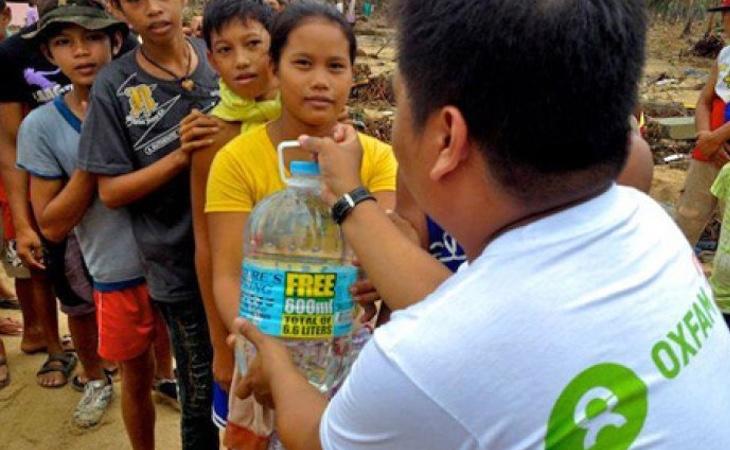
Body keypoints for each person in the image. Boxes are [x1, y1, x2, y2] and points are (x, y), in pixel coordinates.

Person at [231, 1, 730, 449]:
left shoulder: (422, 356)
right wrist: (350, 199)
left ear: (446, 137)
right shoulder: (648, 226)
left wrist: (275, 357)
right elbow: (460, 308)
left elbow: (316, 435)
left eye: (403, 104)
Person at [204, 3, 396, 447]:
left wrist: (376, 280)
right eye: (302, 64)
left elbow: (384, 261)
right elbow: (227, 273)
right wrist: (251, 352)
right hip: (263, 358)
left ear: (353, 75)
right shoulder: (236, 160)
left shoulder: (378, 158)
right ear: (274, 69)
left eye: (336, 66)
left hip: (350, 363)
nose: (320, 81)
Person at [76, 0, 220, 446]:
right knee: (199, 391)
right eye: (136, 1)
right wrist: (181, 155)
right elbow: (110, 191)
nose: (154, 9)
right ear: (117, 9)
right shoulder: (114, 86)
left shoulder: (220, 56)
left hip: (242, 253)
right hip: (175, 262)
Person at [180, 0, 279, 435]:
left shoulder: (312, 122)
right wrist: (221, 346)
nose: (241, 60)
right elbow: (206, 248)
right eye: (224, 50)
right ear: (210, 59)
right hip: (243, 319)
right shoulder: (209, 136)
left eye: (253, 44)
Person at [676, 0, 730, 246]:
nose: (725, 21)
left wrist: (716, 139)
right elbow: (704, 102)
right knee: (687, 216)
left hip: (722, 150)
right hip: (708, 153)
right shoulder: (725, 55)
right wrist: (705, 135)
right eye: (725, 15)